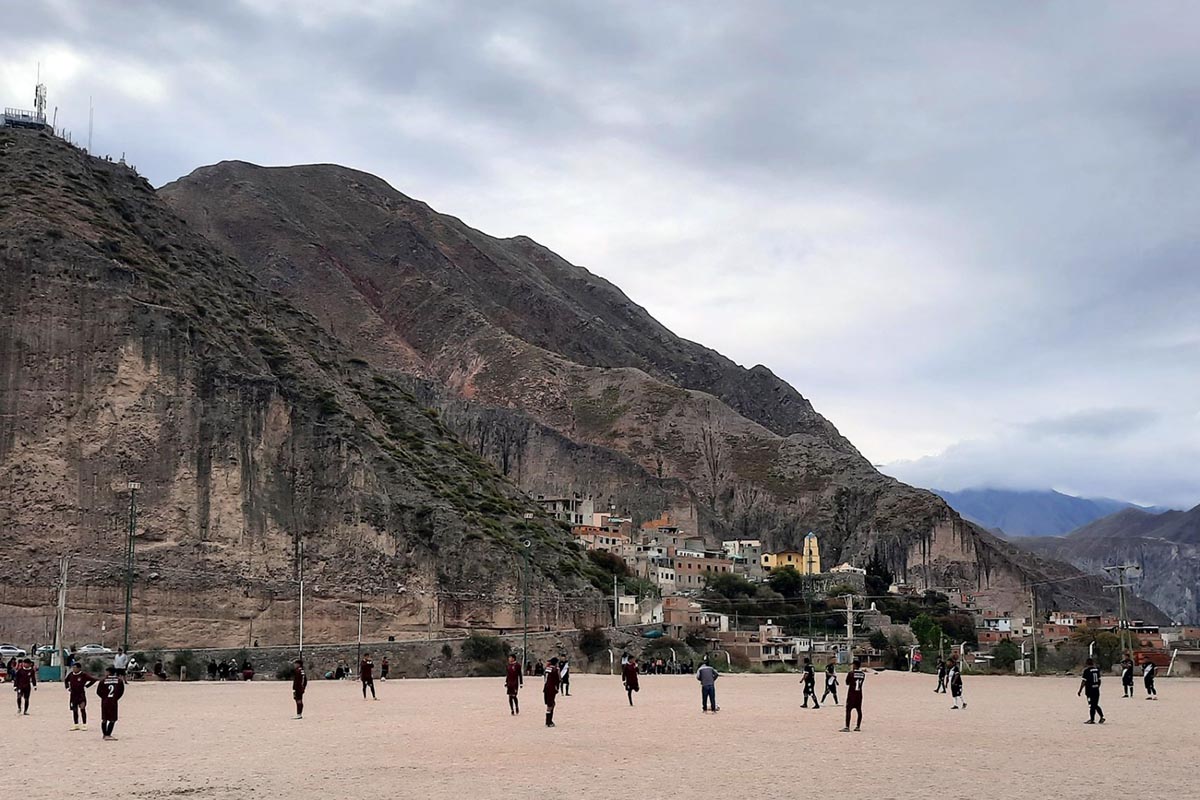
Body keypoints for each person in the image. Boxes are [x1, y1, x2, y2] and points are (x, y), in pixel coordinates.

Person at [64, 662, 97, 730]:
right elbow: (66, 680)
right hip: (73, 695)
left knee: (82, 709)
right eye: (73, 668)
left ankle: (84, 724)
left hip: (81, 695)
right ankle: (76, 725)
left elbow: (93, 680)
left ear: (79, 668)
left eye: (75, 668)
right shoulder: (71, 674)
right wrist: (67, 687)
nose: (74, 669)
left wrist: (87, 686)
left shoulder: (83, 675)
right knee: (74, 710)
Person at [97, 666, 125, 740]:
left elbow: (98, 691)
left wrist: (104, 698)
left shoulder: (103, 680)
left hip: (105, 702)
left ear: (108, 672)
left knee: (104, 719)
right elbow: (121, 691)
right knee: (113, 719)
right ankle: (108, 734)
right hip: (113, 702)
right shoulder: (119, 681)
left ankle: (104, 734)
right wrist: (116, 698)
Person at [841, 658, 866, 732]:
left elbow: (847, 682)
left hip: (852, 694)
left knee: (848, 710)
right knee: (859, 710)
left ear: (854, 665)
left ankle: (847, 727)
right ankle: (858, 726)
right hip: (859, 694)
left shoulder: (851, 673)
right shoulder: (863, 674)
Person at [1079, 657, 1105, 724]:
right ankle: (1101, 717)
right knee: (1095, 704)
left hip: (1089, 690)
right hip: (1096, 690)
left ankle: (1092, 719)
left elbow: (1083, 682)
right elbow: (1099, 680)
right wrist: (1097, 687)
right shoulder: (1097, 670)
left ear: (1086, 663)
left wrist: (1080, 690)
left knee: (1092, 705)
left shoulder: (1086, 671)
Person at [543, 657, 561, 727]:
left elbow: (545, 677)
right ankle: (548, 721)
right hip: (552, 689)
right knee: (551, 705)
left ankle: (549, 721)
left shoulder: (547, 668)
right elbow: (558, 679)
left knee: (550, 704)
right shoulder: (556, 669)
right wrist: (557, 688)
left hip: (546, 688)